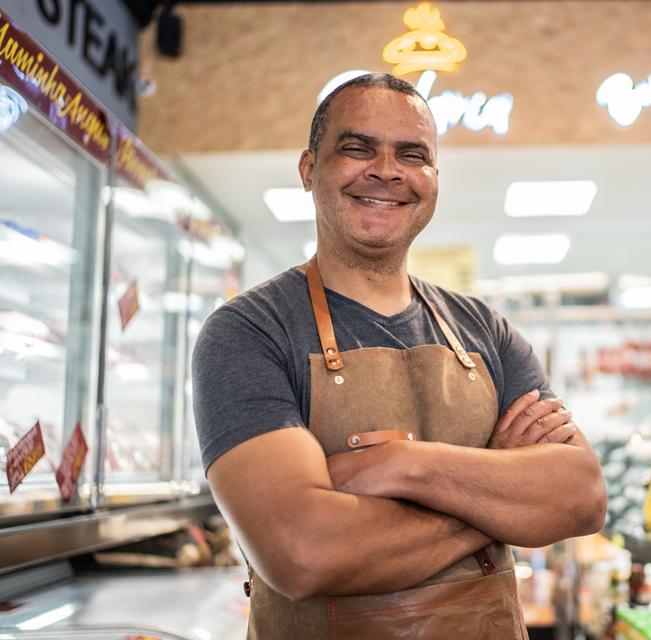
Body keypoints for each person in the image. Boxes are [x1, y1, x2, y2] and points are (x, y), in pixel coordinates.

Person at [192, 72, 606, 639]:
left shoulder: (485, 330)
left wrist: (398, 465)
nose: (386, 170)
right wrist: (493, 493)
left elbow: (581, 496)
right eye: (358, 148)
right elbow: (303, 552)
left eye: (412, 154)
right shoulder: (249, 331)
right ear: (309, 169)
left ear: (434, 178)